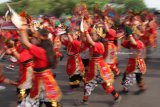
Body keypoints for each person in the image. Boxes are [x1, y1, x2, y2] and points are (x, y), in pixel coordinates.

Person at [75, 19, 121, 106]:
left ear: (98, 36)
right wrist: (82, 31)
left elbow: (90, 41)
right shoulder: (92, 43)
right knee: (88, 83)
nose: (91, 36)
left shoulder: (99, 45)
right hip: (92, 67)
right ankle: (85, 100)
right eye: (91, 35)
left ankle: (117, 97)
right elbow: (83, 40)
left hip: (100, 68)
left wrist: (86, 30)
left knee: (106, 84)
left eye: (93, 35)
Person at [18, 26, 62, 107]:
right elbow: (24, 44)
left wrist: (22, 27)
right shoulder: (41, 49)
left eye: (34, 38)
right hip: (40, 83)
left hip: (44, 84)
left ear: (39, 40)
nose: (32, 39)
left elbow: (25, 41)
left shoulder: (40, 51)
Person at [121, 22, 147, 95]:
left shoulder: (139, 42)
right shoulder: (130, 42)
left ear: (139, 35)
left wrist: (129, 34)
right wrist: (125, 35)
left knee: (138, 76)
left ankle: (141, 87)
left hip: (138, 62)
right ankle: (125, 88)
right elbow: (123, 43)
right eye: (133, 34)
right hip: (131, 62)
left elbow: (134, 44)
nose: (133, 35)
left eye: (135, 34)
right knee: (126, 75)